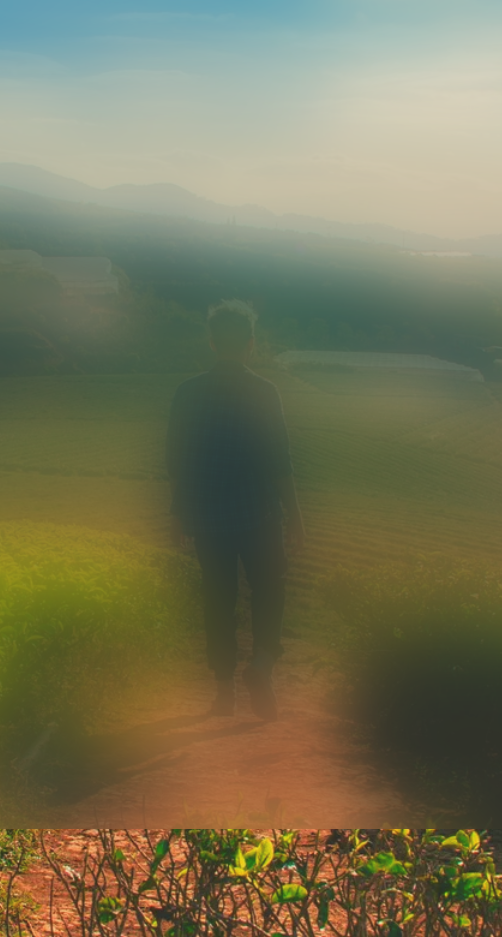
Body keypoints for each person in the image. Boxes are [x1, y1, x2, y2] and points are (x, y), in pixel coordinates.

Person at [165, 299, 305, 720]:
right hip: (260, 512)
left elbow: (177, 460)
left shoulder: (188, 393)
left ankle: (224, 692)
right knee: (270, 590)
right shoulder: (264, 391)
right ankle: (262, 665)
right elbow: (280, 459)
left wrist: (178, 513)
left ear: (212, 342)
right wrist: (295, 516)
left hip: (208, 517)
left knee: (218, 598)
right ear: (251, 343)